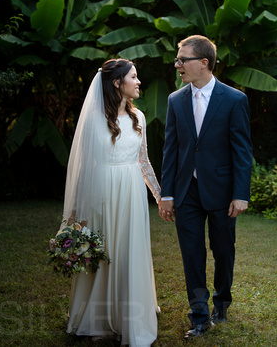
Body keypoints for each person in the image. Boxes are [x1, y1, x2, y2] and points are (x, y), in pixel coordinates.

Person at [61, 59, 161, 346]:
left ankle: (134, 314)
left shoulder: (138, 117)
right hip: (103, 193)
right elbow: (83, 169)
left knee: (130, 251)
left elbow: (143, 162)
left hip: (131, 193)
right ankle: (98, 319)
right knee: (104, 255)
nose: (139, 81)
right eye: (134, 76)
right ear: (117, 83)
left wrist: (159, 195)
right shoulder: (93, 120)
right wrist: (76, 215)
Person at [159, 35, 252, 339]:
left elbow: (241, 151)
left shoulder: (235, 99)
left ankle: (221, 303)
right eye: (177, 59)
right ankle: (199, 315)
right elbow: (171, 150)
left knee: (223, 251)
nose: (177, 65)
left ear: (203, 63)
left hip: (223, 192)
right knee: (192, 254)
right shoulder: (175, 100)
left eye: (182, 59)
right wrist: (167, 193)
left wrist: (240, 194)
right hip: (186, 192)